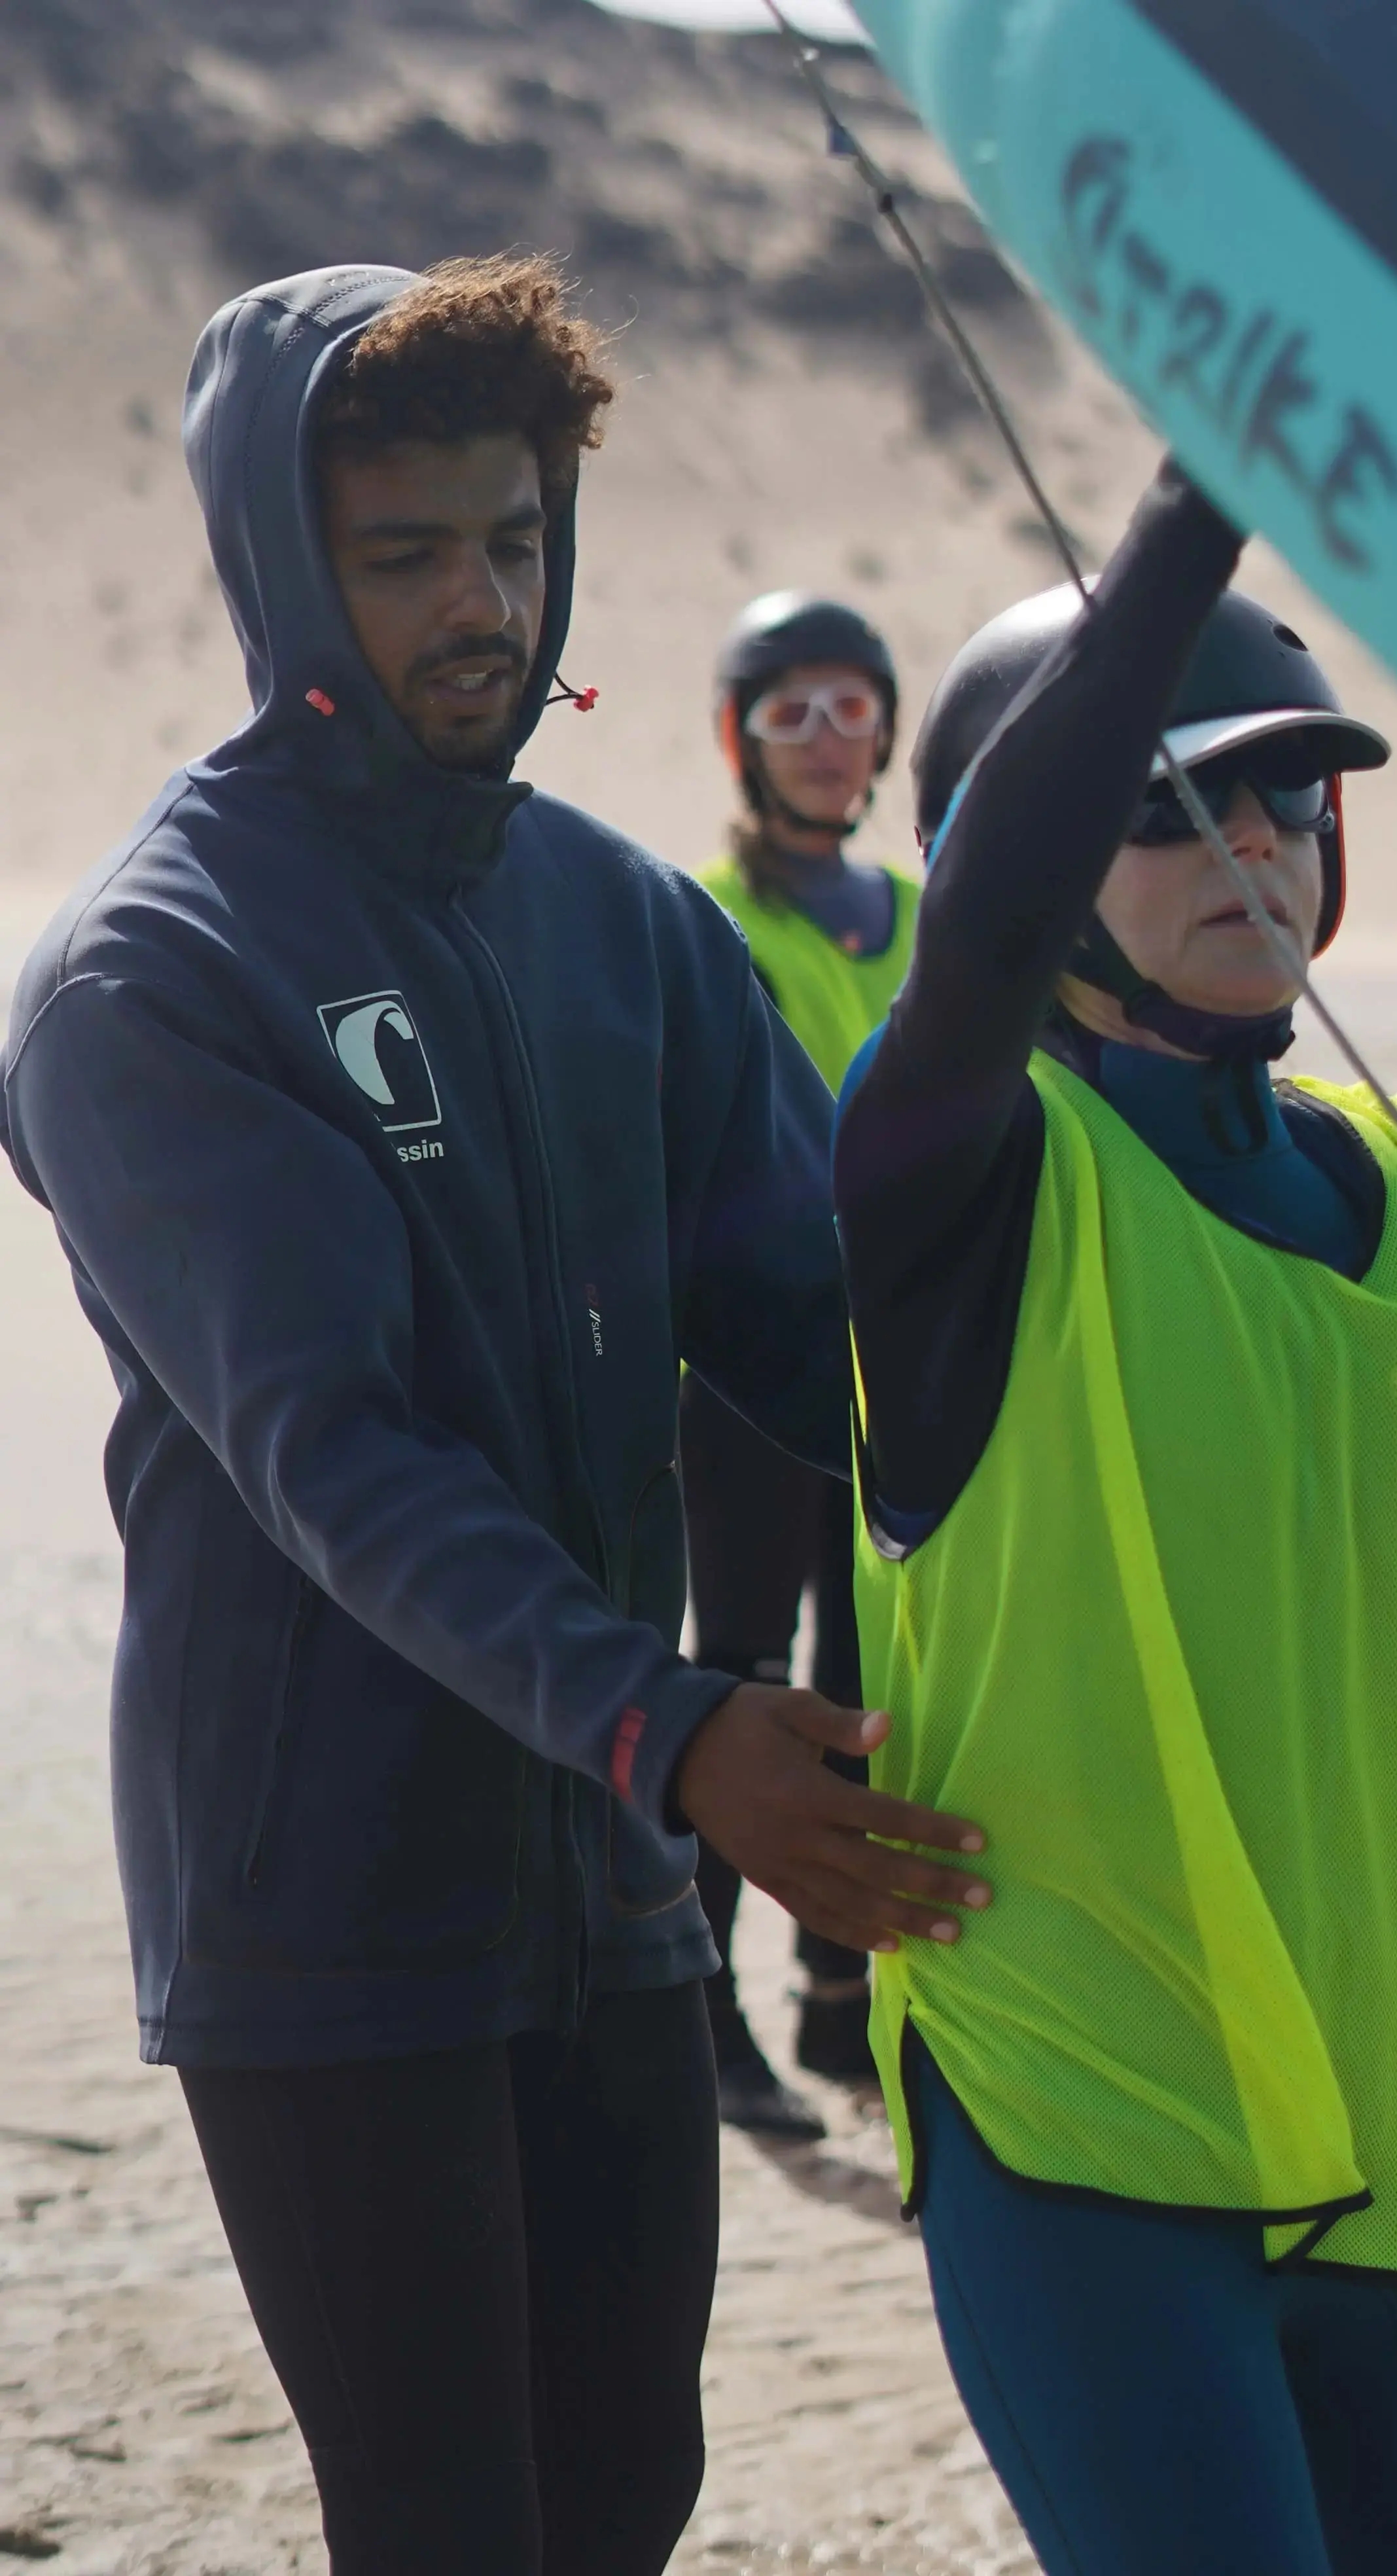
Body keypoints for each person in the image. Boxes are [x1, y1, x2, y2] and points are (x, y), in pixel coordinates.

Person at [0, 254, 989, 2576]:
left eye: (517, 539)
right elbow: (335, 1454)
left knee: (626, 2490)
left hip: (613, 1878)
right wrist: (671, 1725)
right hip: (330, 1907)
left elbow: (816, 1330)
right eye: (407, 549)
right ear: (283, 561)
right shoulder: (155, 976)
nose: (483, 605)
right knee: (450, 2527)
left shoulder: (624, 919)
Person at [834, 456, 1397, 2574]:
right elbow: (970, 939)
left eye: (1286, 800)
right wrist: (1209, 489)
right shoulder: (959, 1175)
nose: (1243, 839)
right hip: (1091, 2142)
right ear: (1021, 868)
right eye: (1162, 804)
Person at [682, 592, 921, 2136]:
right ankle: (694, 2001)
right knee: (739, 1674)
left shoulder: (930, 915)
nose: (827, 741)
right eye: (791, 714)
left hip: (904, 1358)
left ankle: (838, 2003)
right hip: (751, 1364)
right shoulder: (700, 915)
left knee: (872, 1676)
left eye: (851, 709)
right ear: (739, 741)